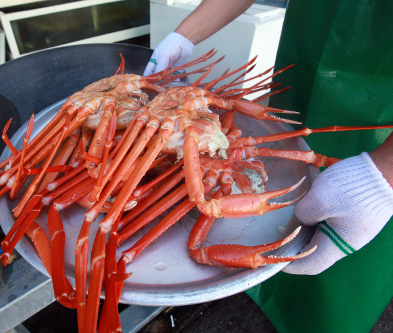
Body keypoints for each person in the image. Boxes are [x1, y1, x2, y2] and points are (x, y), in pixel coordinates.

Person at [144, 0, 393, 332]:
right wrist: (184, 35)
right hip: (304, 61)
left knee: (339, 287)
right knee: (276, 271)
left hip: (381, 118)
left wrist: (382, 178)